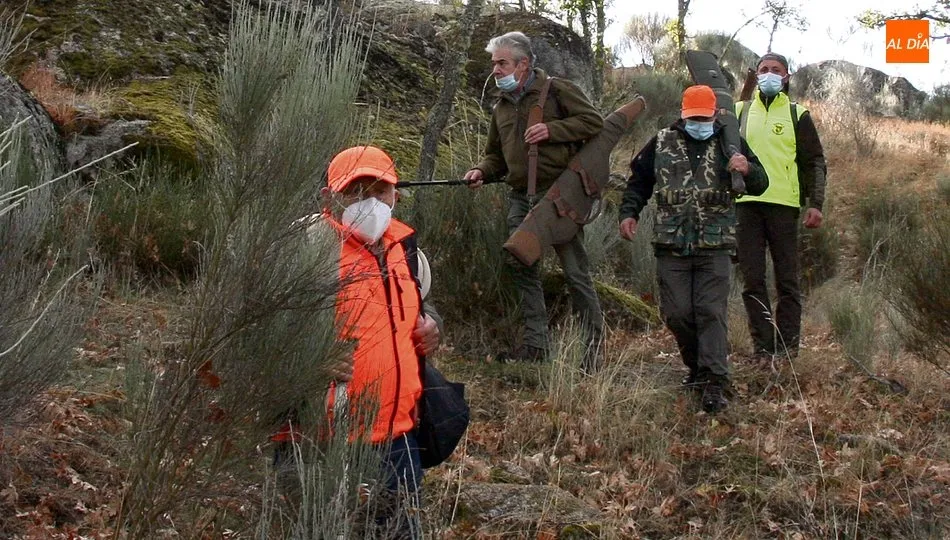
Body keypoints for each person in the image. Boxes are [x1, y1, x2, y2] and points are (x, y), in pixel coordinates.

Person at [274, 145, 441, 538]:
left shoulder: (408, 251)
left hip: (398, 437)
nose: (370, 202)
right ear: (329, 197)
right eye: (356, 191)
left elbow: (423, 307)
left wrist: (433, 326)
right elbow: (258, 336)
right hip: (318, 442)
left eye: (379, 190)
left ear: (395, 194)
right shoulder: (304, 248)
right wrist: (312, 359)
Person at [618, 85, 768, 413]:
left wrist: (746, 168)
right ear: (682, 115)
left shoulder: (731, 142)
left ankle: (715, 380)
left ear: (715, 114)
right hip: (671, 243)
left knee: (710, 311)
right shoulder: (660, 142)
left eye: (704, 117)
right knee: (677, 314)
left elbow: (760, 183)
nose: (698, 122)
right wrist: (629, 213)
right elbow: (639, 183)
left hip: (715, 244)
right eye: (692, 118)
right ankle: (698, 367)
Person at [463, 30, 605, 369]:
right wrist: (481, 171)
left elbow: (594, 121)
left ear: (523, 64)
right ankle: (537, 347)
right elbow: (495, 156)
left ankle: (593, 351)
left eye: (502, 63)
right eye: (494, 63)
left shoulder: (556, 90)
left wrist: (552, 131)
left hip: (559, 198)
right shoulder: (501, 107)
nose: (495, 70)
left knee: (575, 273)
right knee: (521, 265)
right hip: (520, 199)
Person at [735, 52, 828, 360]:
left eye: (776, 70)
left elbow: (814, 161)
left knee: (787, 281)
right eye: (764, 69)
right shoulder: (738, 111)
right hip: (746, 206)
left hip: (785, 206)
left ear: (787, 77)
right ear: (756, 75)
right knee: (753, 280)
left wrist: (816, 203)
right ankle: (763, 348)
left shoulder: (796, 114)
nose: (770, 74)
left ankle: (788, 350)